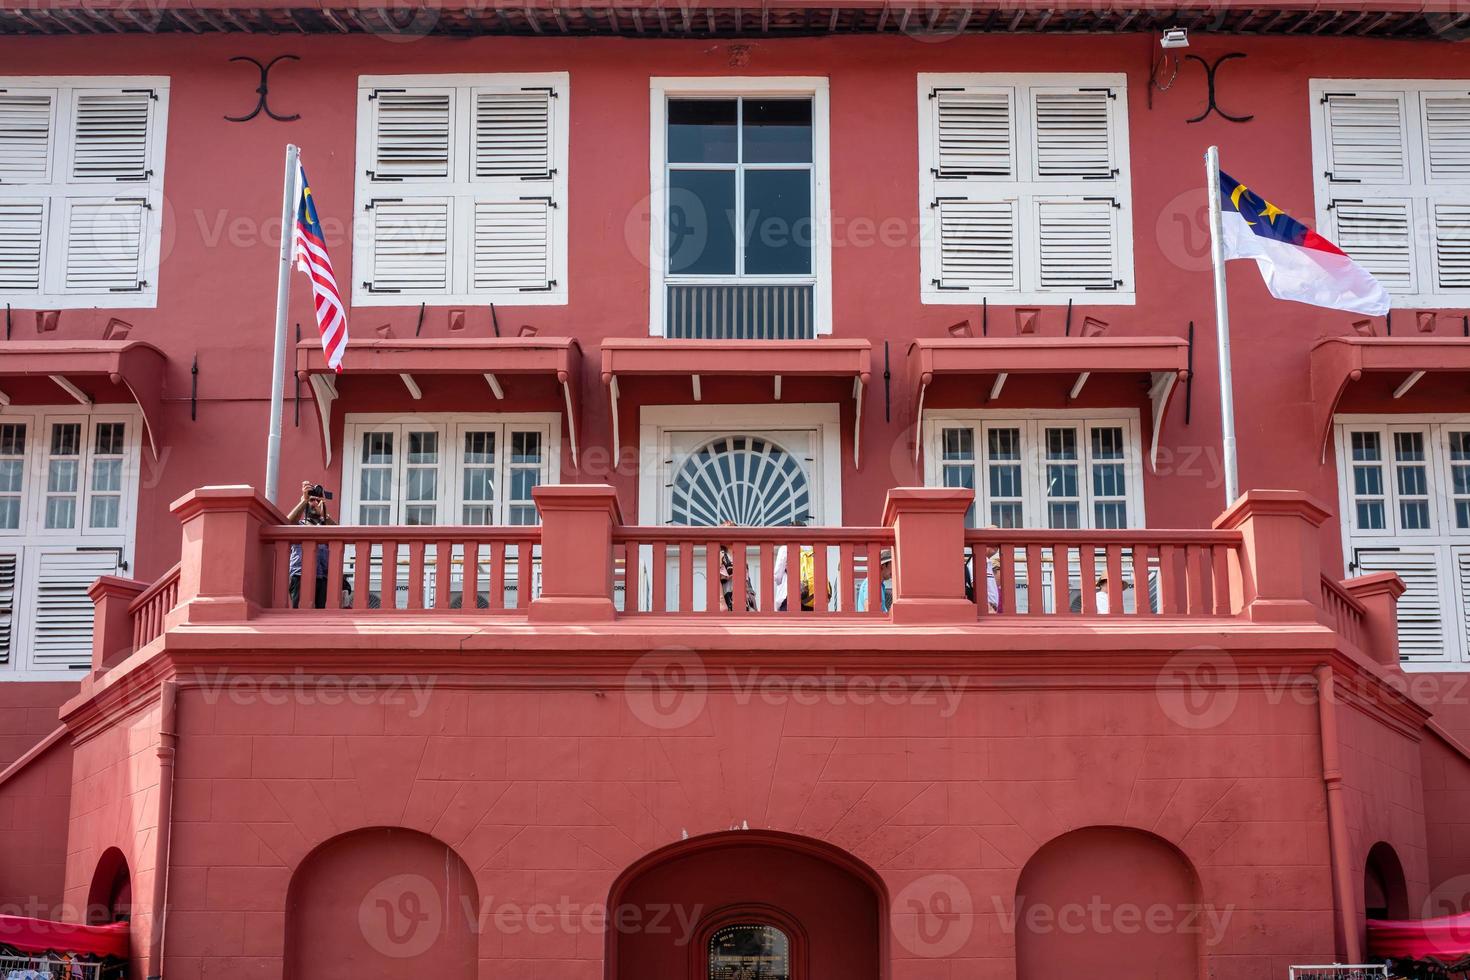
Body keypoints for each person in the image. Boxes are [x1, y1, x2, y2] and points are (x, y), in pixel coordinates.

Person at [285, 480, 335, 608]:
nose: (314, 503)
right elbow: (288, 522)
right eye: (312, 501)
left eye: (317, 501)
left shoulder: (325, 525)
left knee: (320, 617)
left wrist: (323, 515)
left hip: (323, 576)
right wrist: (304, 500)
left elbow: (337, 531)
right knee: (299, 614)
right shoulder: (300, 524)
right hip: (300, 574)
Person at [717, 520, 756, 612]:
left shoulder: (740, 555)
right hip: (728, 596)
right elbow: (715, 578)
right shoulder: (721, 554)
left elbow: (747, 582)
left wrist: (753, 602)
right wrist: (721, 602)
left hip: (745, 598)